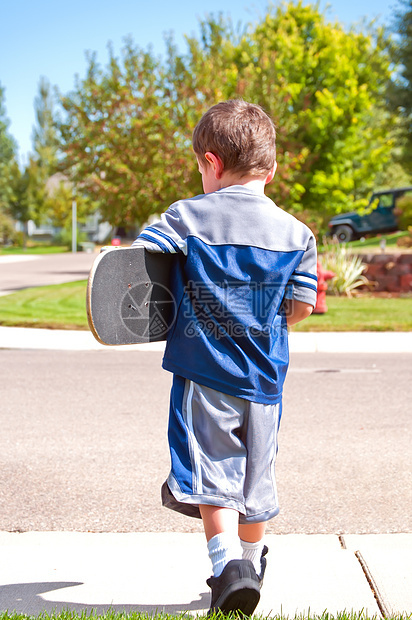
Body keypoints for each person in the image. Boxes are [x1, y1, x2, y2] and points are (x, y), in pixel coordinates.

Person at [132, 99, 317, 615]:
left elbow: (146, 268)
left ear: (210, 163)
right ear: (272, 169)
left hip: (205, 375)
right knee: (257, 476)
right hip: (266, 381)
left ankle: (227, 567)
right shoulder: (297, 234)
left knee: (213, 474)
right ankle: (252, 565)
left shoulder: (186, 215)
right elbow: (299, 307)